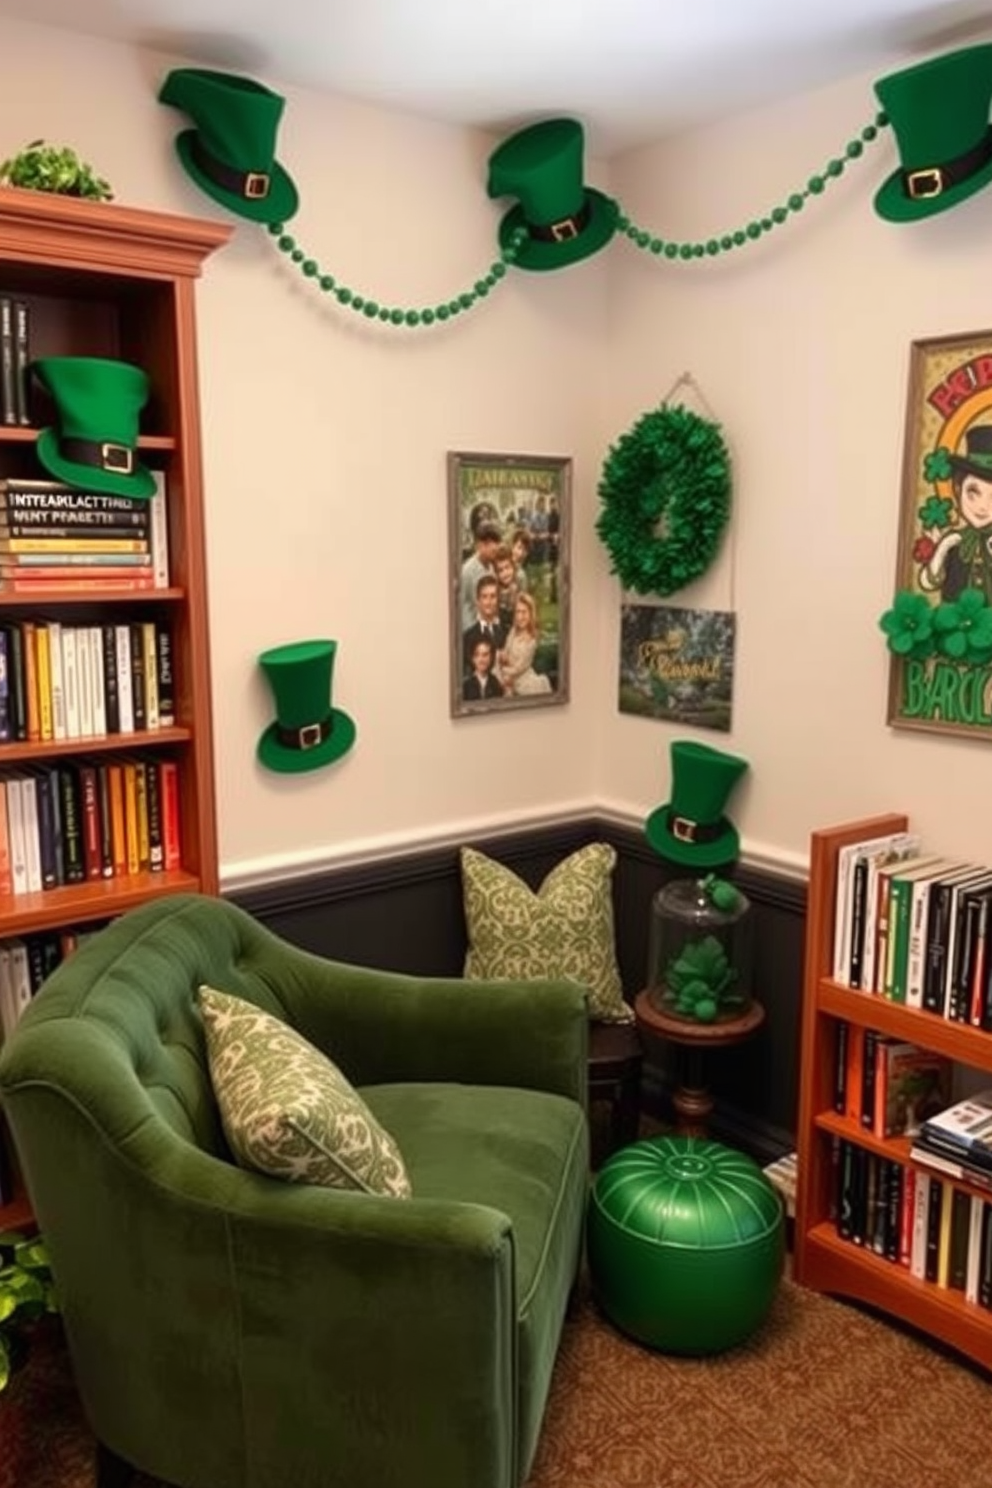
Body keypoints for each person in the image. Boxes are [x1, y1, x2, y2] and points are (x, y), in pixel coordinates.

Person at [919, 424, 992, 603]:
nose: (982, 507)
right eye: (973, 493)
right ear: (958, 490)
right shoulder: (955, 542)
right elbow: (928, 583)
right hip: (953, 627)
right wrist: (942, 549)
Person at [498, 591, 552, 697]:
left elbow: (518, 668)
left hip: (524, 683)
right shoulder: (513, 631)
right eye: (518, 612)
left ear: (531, 614)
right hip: (509, 676)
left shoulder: (531, 640)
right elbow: (506, 651)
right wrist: (500, 656)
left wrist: (502, 671)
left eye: (524, 612)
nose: (520, 616)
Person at [459, 520, 502, 630]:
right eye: (488, 543)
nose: (494, 547)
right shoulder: (467, 570)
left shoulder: (491, 568)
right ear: (478, 545)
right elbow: (462, 605)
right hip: (472, 629)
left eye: (496, 542)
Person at [463, 573, 507, 667]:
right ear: (478, 601)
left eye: (493, 596)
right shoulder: (468, 637)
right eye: (484, 597)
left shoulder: (505, 629)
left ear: (498, 599)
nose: (489, 602)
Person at [463, 636, 504, 701]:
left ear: (491, 657)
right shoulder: (465, 686)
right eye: (477, 655)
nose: (481, 659)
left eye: (485, 655)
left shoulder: (496, 684)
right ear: (472, 658)